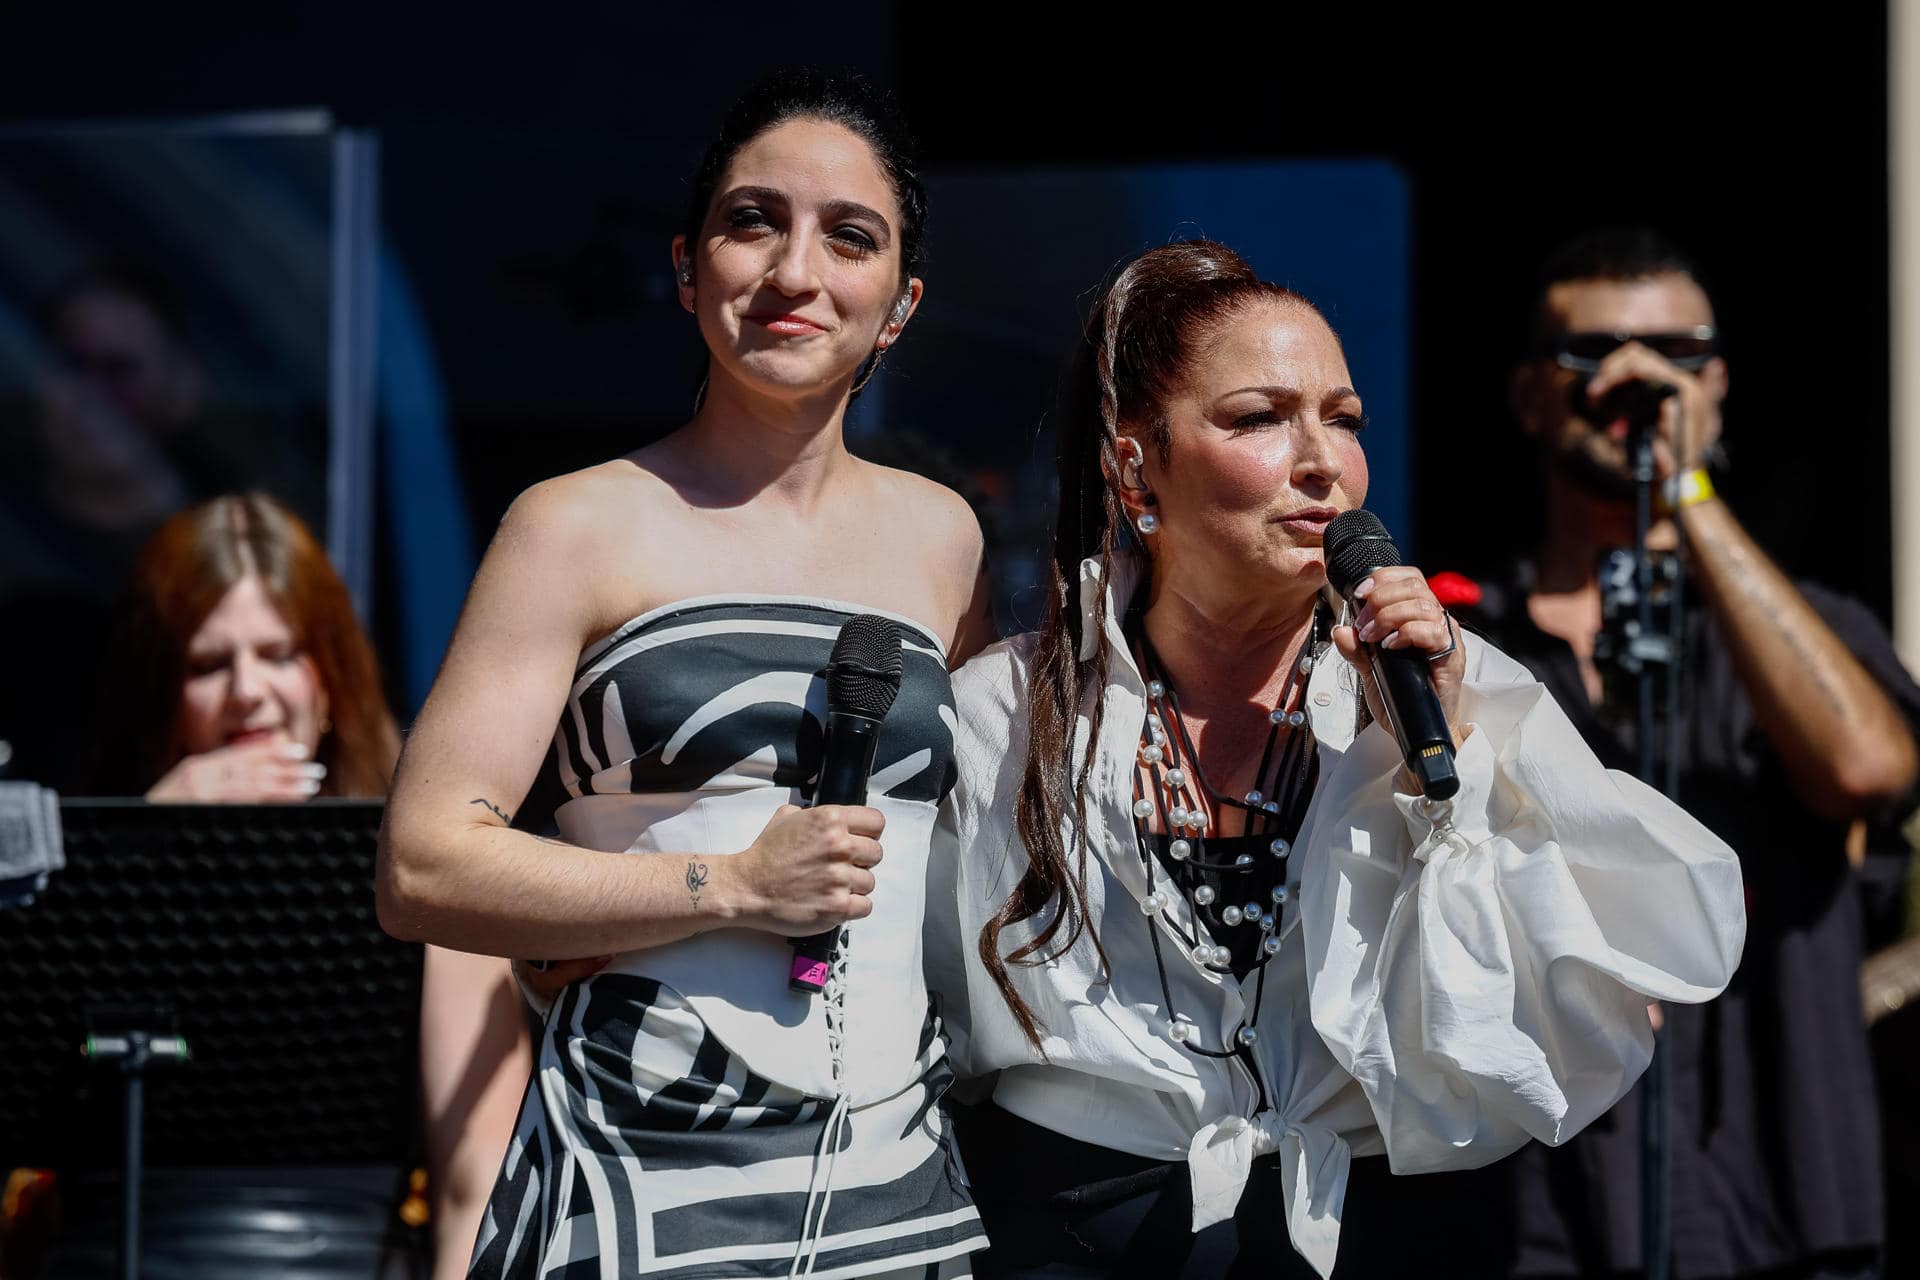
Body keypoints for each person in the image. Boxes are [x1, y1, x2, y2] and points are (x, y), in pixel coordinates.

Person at [925, 240, 1748, 1278]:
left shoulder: (1442, 681)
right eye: (1260, 417)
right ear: (1135, 461)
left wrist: (1435, 777)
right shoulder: (1005, 710)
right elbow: (922, 1027)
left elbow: (1564, 1007)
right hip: (1079, 1230)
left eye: (1344, 418)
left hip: (1377, 1235)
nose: (1323, 459)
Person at [376, 69, 993, 1280]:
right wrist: (729, 881)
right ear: (683, 263)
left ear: (902, 302)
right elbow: (423, 861)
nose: (795, 271)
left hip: (896, 1183)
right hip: (638, 1168)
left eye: (849, 237)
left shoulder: (946, 536)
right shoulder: (574, 524)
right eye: (752, 220)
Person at [1357, 228, 1920, 1280]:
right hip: (1535, 1211)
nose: (1642, 382)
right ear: (1529, 395)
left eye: (1681, 355)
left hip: (1780, 1198)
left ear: (1719, 388)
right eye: (1597, 355)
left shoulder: (1813, 627)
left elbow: (1865, 768)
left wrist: (1688, 489)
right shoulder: (1466, 643)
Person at [89, 491, 526, 1278]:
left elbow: (476, 1181)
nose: (248, 692)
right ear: (163, 693)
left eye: (279, 654)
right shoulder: (96, 860)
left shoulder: (419, 867)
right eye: (208, 665)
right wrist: (151, 838)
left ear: (330, 680)